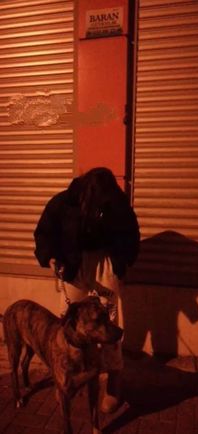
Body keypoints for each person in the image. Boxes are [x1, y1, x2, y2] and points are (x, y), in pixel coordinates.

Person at [34, 166, 140, 413]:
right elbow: (44, 232)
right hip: (75, 264)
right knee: (69, 322)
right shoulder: (63, 202)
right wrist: (50, 257)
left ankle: (114, 381)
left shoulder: (116, 202)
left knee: (110, 323)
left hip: (106, 262)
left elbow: (131, 235)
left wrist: (123, 262)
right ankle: (65, 374)